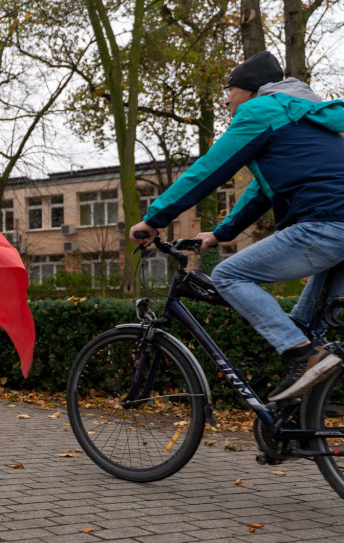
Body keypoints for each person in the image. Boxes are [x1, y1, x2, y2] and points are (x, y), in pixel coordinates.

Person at [130, 51, 344, 401]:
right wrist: (218, 234)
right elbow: (261, 191)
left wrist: (155, 219)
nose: (227, 99)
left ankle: (304, 356)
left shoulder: (261, 110)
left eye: (229, 90)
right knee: (302, 328)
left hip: (326, 223)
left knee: (230, 276)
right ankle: (302, 431)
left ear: (250, 90)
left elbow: (211, 168)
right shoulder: (302, 116)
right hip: (337, 227)